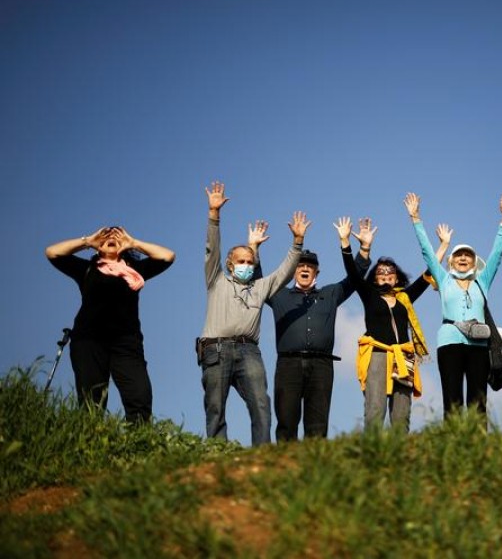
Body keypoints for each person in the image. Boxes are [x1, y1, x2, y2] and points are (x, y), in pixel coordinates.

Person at [198, 181, 307, 446]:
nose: (246, 265)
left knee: (260, 402)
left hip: (249, 351)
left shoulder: (260, 287)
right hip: (216, 350)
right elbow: (212, 249)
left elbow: (284, 272)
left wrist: (297, 242)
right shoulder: (216, 279)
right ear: (230, 264)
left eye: (250, 261)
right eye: (241, 261)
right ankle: (217, 451)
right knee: (215, 406)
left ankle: (262, 451)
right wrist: (214, 215)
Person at [252, 217, 371, 441]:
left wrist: (364, 248)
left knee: (317, 423)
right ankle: (286, 466)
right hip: (289, 364)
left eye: (310, 266)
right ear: (293, 271)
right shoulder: (280, 295)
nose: (305, 268)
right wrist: (254, 249)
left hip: (322, 365)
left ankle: (315, 467)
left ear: (317, 272)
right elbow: (258, 283)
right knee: (286, 420)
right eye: (300, 265)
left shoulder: (330, 293)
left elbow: (355, 279)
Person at [45, 226, 175, 423]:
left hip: (126, 342)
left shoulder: (135, 271)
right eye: (105, 237)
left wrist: (133, 243)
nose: (111, 238)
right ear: (98, 247)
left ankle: (139, 444)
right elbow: (52, 252)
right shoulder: (87, 269)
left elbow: (168, 256)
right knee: (91, 400)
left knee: (139, 395)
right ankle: (93, 445)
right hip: (89, 341)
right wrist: (87, 241)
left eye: (117, 236)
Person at [404, 192, 502, 418]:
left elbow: (497, 255)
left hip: (478, 346)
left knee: (478, 399)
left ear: (474, 262)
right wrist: (416, 219)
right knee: (452, 399)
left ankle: (477, 448)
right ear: (451, 261)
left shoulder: (482, 282)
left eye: (468, 256)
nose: (463, 258)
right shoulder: (444, 280)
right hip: (449, 343)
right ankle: (452, 447)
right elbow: (427, 253)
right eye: (458, 255)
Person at [349, 220, 451, 432]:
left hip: (403, 357)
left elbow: (427, 274)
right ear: (375, 279)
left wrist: (443, 246)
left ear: (397, 277)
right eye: (380, 273)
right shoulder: (369, 296)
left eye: (390, 273)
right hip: (377, 354)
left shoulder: (405, 297)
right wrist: (347, 244)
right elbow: (353, 273)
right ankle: (373, 450)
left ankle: (399, 450)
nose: (386, 275)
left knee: (402, 412)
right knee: (375, 408)